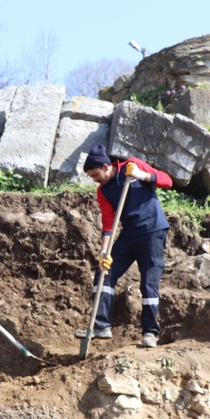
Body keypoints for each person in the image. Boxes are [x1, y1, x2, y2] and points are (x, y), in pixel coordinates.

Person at [74, 144, 174, 348]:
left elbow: (167, 181)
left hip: (153, 231)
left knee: (148, 283)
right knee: (104, 271)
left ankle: (150, 333)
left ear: (105, 166)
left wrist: (142, 175)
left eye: (95, 175)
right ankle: (101, 325)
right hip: (129, 234)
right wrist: (104, 251)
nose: (94, 179)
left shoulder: (132, 165)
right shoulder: (103, 191)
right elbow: (108, 223)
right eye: (91, 177)